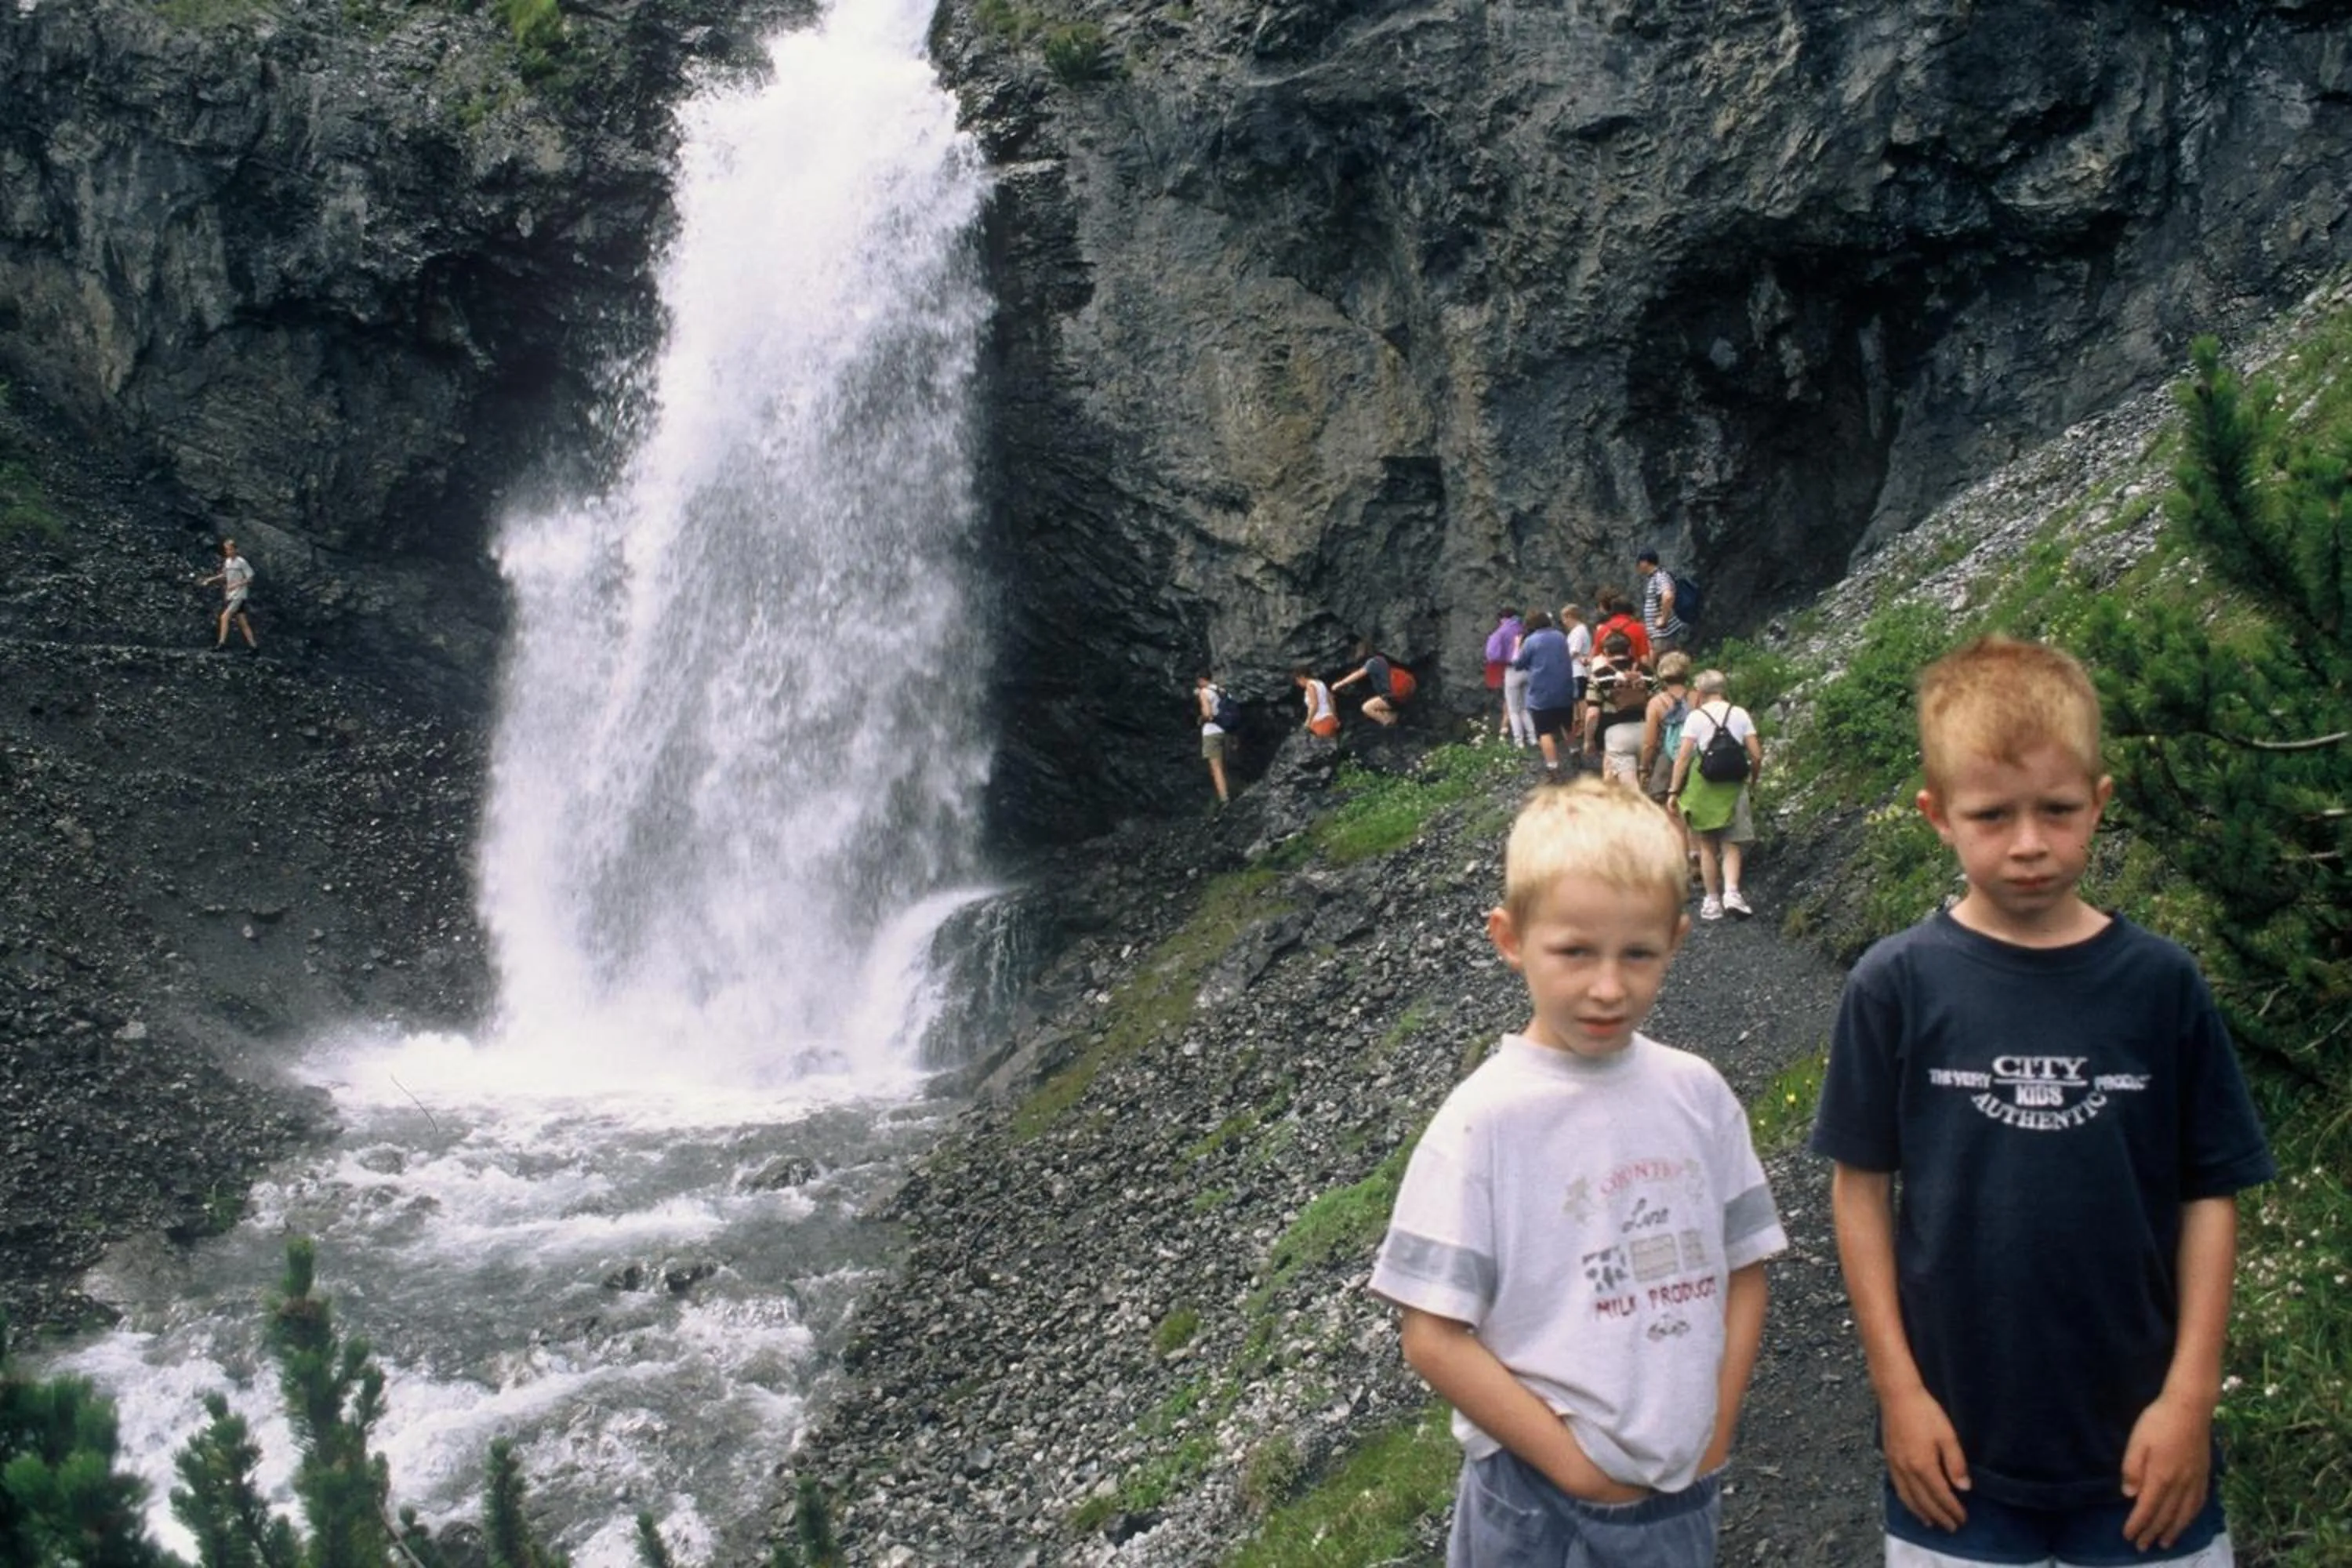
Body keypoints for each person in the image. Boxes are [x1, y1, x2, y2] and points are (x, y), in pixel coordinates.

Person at [1809, 637, 2275, 1568]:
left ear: (2098, 801)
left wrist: (2190, 1400)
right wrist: (1899, 1392)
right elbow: (1859, 1190)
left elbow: (2210, 1192)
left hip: (2145, 1455)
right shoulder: (1894, 984)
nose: (2029, 842)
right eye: (1992, 814)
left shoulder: (2161, 984)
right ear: (1937, 815)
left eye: (2057, 809)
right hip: (1955, 1454)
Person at [1370, 779, 1785, 1566]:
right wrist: (1573, 1468)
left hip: (1683, 1489)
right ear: (1510, 938)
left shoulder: (1697, 1093)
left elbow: (1746, 1268)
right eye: (1575, 952)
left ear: (1676, 940)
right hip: (1536, 1498)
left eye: (1638, 954)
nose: (1608, 986)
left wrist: (1717, 1426)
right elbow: (1430, 1334)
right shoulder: (1483, 1121)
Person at [1667, 670, 1761, 921]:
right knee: (1732, 844)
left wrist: (1674, 790)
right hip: (1734, 785)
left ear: (1699, 692)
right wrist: (1752, 780)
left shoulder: (1696, 717)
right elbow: (1756, 755)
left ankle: (1712, 900)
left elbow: (1683, 757)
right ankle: (1732, 893)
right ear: (1723, 689)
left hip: (1705, 787)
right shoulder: (1739, 713)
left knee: (1707, 845)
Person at [1642, 652, 1696, 860]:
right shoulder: (1697, 697)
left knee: (1668, 805)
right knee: (1695, 805)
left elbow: (1649, 742)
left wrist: (1644, 767)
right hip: (1697, 755)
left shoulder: (1656, 703)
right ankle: (1698, 851)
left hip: (1669, 757)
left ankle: (1682, 854)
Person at [1512, 610, 1577, 775]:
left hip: (1541, 694)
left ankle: (1553, 767)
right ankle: (1575, 751)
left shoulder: (1531, 641)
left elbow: (1518, 664)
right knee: (1567, 724)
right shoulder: (1560, 637)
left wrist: (1517, 646)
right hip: (1564, 689)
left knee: (1544, 731)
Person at [1584, 630, 1649, 786]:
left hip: (1614, 733)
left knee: (1621, 785)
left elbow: (1592, 713)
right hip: (1647, 731)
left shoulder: (1599, 676)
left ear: (1606, 652)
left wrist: (1589, 740)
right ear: (1629, 650)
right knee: (1646, 779)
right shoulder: (1646, 672)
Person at [201, 538, 257, 650]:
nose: (229, 552)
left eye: (231, 549)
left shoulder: (241, 562)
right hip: (232, 595)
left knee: (224, 617)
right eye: (227, 550)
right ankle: (254, 647)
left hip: (239, 595)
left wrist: (236, 585)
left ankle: (221, 644)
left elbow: (250, 578)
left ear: (236, 549)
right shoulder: (227, 562)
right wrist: (210, 579)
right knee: (243, 622)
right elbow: (224, 575)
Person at [1333, 641, 1406, 728]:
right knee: (1381, 706)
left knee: (1367, 708)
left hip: (1392, 695)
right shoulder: (1383, 658)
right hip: (1400, 692)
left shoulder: (1373, 662)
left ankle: (1388, 723)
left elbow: (1359, 674)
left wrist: (1340, 684)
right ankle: (1394, 717)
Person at [1484, 608, 1524, 741]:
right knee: (1522, 700)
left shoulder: (1501, 631)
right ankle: (1529, 733)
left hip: (1508, 667)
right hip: (1527, 668)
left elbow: (1492, 654)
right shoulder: (1523, 629)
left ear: (1502, 619)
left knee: (1510, 700)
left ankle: (1505, 729)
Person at [1636, 550, 1686, 652]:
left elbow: (1668, 596)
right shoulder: (1655, 577)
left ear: (1645, 562)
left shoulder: (1660, 577)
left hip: (1663, 633)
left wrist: (1663, 619)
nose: (1638, 566)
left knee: (1663, 659)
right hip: (1659, 633)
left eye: (1639, 563)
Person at [1501, 612, 1537, 750]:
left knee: (1513, 710)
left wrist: (1515, 647)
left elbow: (1514, 658)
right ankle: (1533, 738)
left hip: (1512, 672)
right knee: (1524, 708)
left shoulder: (1512, 636)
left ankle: (1519, 741)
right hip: (1527, 673)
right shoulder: (1531, 638)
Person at [1194, 674, 1231, 804]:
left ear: (1201, 680)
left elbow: (1208, 714)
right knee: (1227, 764)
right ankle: (1233, 789)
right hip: (1225, 730)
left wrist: (1201, 719)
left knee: (1216, 768)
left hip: (1211, 733)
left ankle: (1224, 799)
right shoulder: (1222, 691)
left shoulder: (1204, 692)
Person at [1592, 587, 1651, 667]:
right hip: (1633, 671)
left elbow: (1597, 658)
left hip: (1609, 672)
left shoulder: (1602, 630)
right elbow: (1644, 659)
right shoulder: (1639, 628)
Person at [1560, 602, 1594, 710]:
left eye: (1564, 619)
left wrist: (1562, 662)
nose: (1564, 622)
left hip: (1578, 671)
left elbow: (1574, 651)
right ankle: (1578, 718)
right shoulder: (1577, 631)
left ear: (1570, 617)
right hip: (1575, 670)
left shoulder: (1579, 631)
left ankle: (1583, 718)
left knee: (1580, 699)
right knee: (1576, 700)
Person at [1293, 666, 1340, 739]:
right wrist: (1335, 717)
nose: (1298, 683)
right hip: (1330, 720)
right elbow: (1331, 700)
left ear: (1302, 677)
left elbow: (1314, 705)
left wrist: (1308, 721)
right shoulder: (1320, 683)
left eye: (1298, 680)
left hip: (1321, 722)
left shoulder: (1310, 685)